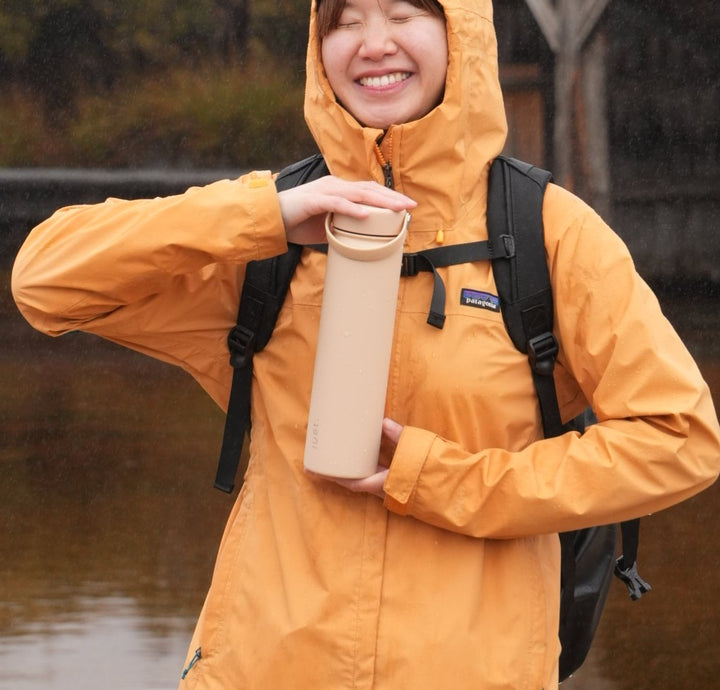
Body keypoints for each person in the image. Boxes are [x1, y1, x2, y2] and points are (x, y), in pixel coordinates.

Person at [11, 0, 720, 688]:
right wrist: (265, 213)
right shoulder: (267, 238)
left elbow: (679, 439)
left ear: (462, 33)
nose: (372, 42)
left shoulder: (547, 234)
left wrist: (437, 478)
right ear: (318, 52)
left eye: (404, 13)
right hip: (265, 669)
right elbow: (45, 282)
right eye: (344, 21)